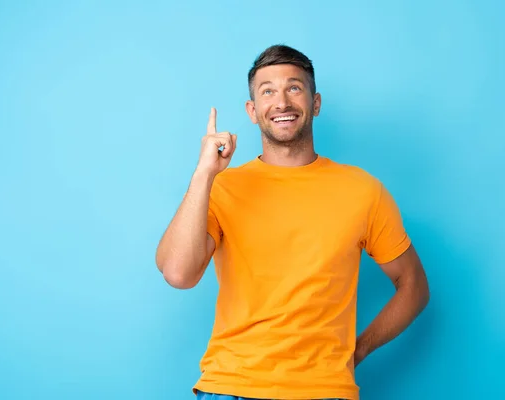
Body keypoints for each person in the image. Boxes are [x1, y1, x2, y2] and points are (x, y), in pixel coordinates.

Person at [155, 44, 430, 400]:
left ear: (315, 103)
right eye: (267, 91)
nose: (281, 102)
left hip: (325, 390)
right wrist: (204, 173)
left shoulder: (363, 191)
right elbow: (178, 273)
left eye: (294, 88)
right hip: (231, 386)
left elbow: (414, 286)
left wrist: (358, 350)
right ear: (253, 111)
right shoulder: (222, 187)